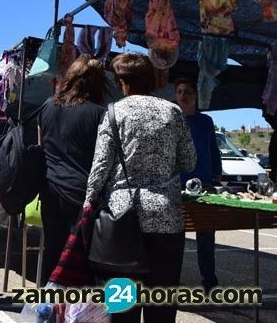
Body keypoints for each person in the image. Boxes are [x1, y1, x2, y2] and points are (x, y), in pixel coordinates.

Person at [85, 53, 196, 323]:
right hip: (166, 217)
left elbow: (100, 166)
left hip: (123, 219)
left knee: (123, 305)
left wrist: (88, 202)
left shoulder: (115, 112)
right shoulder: (172, 111)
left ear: (124, 82)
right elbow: (190, 161)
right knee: (162, 301)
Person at [36, 55, 109, 280]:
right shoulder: (99, 114)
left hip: (50, 190)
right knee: (81, 263)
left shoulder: (47, 107)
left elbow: (40, 147)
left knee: (53, 255)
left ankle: (48, 309)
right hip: (82, 195)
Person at [174, 77, 221, 292]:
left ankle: (209, 283)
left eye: (188, 91)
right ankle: (171, 280)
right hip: (177, 186)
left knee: (206, 238)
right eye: (180, 91)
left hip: (205, 186)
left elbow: (213, 151)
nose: (184, 95)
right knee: (175, 238)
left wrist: (217, 176)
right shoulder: (172, 121)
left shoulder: (206, 122)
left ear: (195, 95)